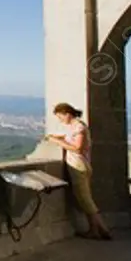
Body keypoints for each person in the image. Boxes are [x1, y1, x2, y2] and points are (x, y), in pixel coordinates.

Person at [45, 103, 112, 240]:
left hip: (78, 165)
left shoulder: (79, 127)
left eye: (60, 117)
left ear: (67, 114)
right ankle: (95, 229)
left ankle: (102, 228)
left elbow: (77, 148)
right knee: (85, 199)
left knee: (85, 200)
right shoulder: (75, 127)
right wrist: (57, 138)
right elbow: (70, 139)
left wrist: (57, 142)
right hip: (82, 165)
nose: (60, 120)